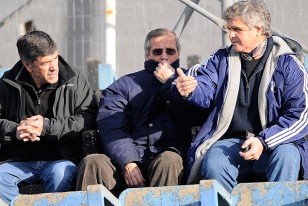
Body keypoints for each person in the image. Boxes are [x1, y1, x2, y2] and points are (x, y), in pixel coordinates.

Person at [160, 0, 308, 193]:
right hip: (233, 142)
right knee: (215, 160)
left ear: (258, 29)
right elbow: (205, 85)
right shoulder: (220, 59)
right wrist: (191, 90)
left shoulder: (289, 66)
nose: (230, 35)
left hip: (276, 142)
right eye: (229, 29)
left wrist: (263, 142)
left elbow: (300, 116)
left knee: (287, 155)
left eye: (237, 29)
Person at [76, 28, 206, 195]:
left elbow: (194, 115)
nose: (164, 56)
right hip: (126, 160)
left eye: (170, 51)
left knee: (169, 160)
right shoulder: (123, 85)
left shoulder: (190, 81)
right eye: (158, 51)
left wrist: (171, 84)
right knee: (92, 162)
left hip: (169, 157)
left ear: (178, 54)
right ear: (147, 55)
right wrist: (128, 161)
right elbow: (111, 126)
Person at [0, 30, 98, 204]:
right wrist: (15, 131)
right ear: (28, 66)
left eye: (55, 58)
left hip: (60, 161)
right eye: (46, 63)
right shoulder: (7, 83)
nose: (54, 67)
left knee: (61, 174)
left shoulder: (75, 80)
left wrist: (46, 127)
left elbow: (87, 118)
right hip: (18, 162)